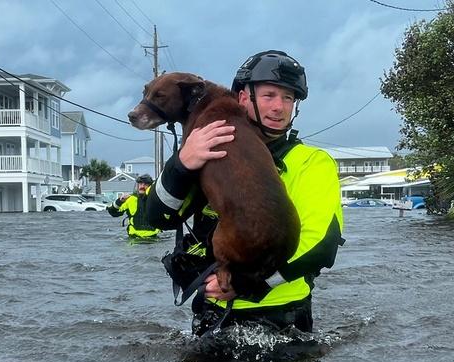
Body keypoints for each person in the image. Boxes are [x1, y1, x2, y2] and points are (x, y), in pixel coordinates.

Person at [146, 50, 344, 336]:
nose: (279, 107)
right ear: (242, 98)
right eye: (269, 95)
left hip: (280, 317)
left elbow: (320, 247)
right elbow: (158, 218)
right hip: (211, 313)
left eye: (288, 98)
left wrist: (250, 284)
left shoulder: (312, 162)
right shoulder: (207, 150)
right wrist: (181, 165)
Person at [106, 174, 161, 239]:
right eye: (140, 184)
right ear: (137, 185)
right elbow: (113, 212)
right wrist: (119, 201)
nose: (142, 186)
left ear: (150, 187)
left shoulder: (156, 200)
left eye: (145, 184)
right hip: (134, 239)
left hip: (153, 239)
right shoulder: (130, 199)